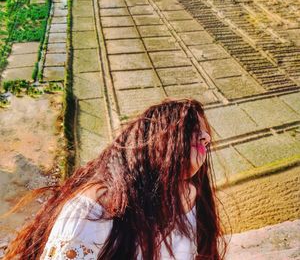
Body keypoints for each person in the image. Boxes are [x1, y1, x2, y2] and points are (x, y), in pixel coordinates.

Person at [3, 98, 228, 259]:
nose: (205, 139)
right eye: (193, 130)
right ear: (160, 139)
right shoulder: (95, 207)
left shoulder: (190, 194)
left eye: (206, 137)